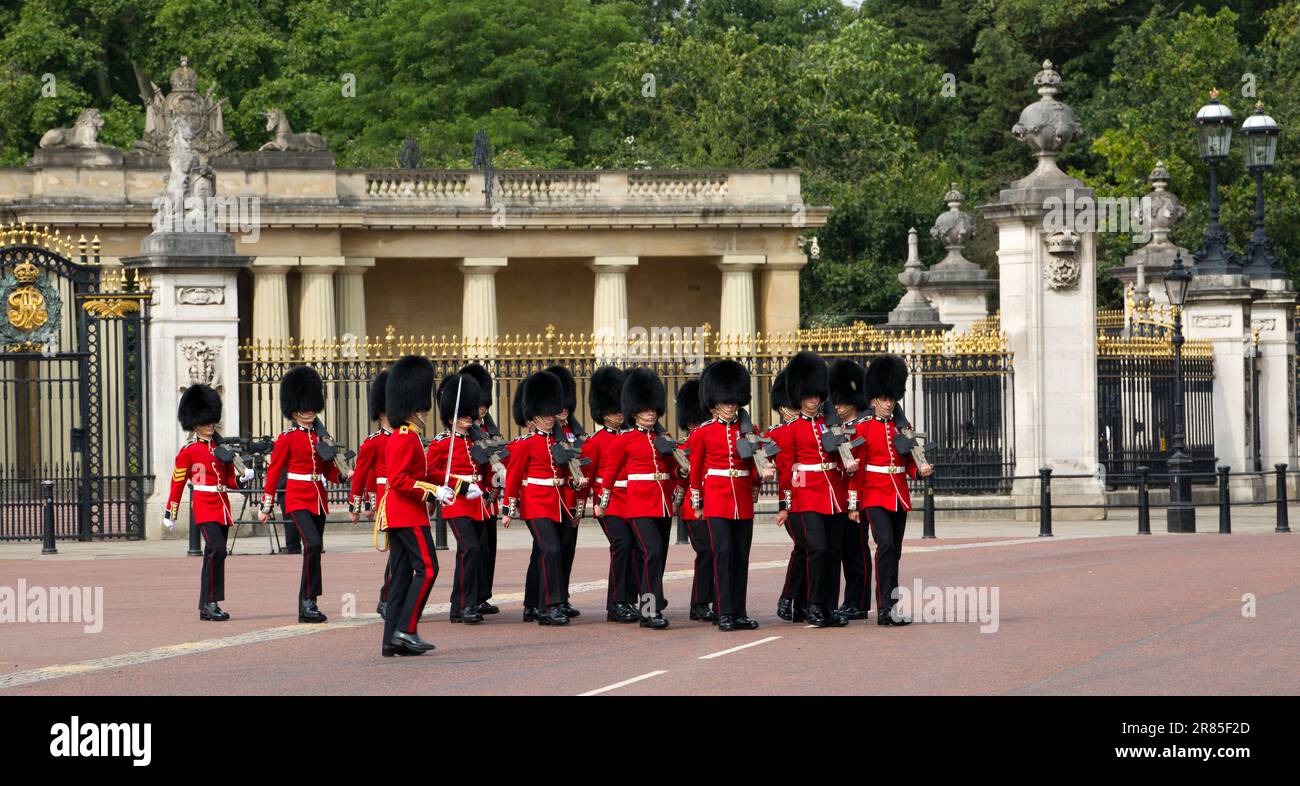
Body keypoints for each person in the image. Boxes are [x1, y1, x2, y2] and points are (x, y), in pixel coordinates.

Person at [258, 366, 347, 623]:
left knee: (314, 550)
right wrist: (266, 506)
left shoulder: (322, 437)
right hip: (296, 497)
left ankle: (307, 605)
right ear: (294, 409)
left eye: (311, 406)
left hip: (318, 498)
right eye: (303, 407)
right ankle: (308, 599)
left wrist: (342, 475)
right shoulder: (287, 438)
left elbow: (328, 470)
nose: (308, 411)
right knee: (313, 544)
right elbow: (274, 473)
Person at [690, 360, 771, 632]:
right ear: (715, 402)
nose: (731, 405)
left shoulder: (749, 431)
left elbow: (756, 463)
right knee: (723, 553)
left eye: (733, 400)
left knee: (740, 556)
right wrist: (696, 502)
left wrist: (763, 475)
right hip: (716, 499)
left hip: (742, 500)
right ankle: (723, 611)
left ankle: (739, 611)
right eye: (726, 400)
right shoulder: (703, 432)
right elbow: (696, 470)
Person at [164, 384, 254, 621]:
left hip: (221, 504)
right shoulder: (188, 451)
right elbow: (178, 483)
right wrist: (170, 513)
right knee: (217, 549)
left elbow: (227, 481)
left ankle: (206, 604)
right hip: (204, 505)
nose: (210, 425)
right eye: (206, 421)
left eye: (212, 421)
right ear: (195, 423)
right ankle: (212, 602)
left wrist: (242, 479)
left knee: (214, 554)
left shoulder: (220, 448)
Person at [856, 354, 933, 626]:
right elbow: (858, 469)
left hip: (898, 493)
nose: (889, 403)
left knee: (895, 550)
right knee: (885, 544)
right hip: (874, 494)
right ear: (874, 399)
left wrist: (919, 470)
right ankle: (884, 608)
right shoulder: (862, 427)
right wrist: (854, 505)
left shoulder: (903, 427)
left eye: (892, 398)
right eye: (884, 398)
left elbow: (908, 461)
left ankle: (892, 605)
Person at [594, 367, 674, 630]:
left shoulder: (663, 438)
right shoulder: (624, 440)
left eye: (653, 409)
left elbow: (675, 471)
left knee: (658, 556)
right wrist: (603, 504)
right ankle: (649, 611)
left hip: (662, 504)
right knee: (650, 552)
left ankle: (650, 604)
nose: (651, 413)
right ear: (635, 411)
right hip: (638, 505)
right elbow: (609, 474)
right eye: (645, 409)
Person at [780, 352, 851, 628]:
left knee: (833, 551)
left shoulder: (830, 424)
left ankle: (829, 607)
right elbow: (788, 470)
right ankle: (812, 604)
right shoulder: (792, 430)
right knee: (818, 548)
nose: (813, 399)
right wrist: (787, 503)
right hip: (806, 495)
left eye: (816, 395)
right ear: (799, 397)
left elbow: (840, 457)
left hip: (833, 493)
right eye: (808, 395)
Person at [376, 355, 440, 656]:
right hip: (406, 514)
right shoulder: (403, 438)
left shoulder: (410, 436)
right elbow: (400, 480)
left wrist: (459, 485)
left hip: (404, 514)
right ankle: (407, 628)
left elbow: (424, 474)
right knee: (428, 568)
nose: (424, 413)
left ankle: (391, 641)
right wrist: (433, 493)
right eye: (420, 408)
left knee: (401, 577)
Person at [502, 371, 573, 626]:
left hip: (556, 502)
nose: (549, 418)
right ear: (534, 417)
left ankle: (531, 605)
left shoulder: (559, 442)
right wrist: (509, 508)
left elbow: (565, 475)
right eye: (545, 415)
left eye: (551, 414)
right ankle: (549, 607)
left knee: (542, 553)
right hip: (535, 503)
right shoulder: (525, 444)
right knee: (551, 550)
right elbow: (513, 477)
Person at [428, 372, 491, 624]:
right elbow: (430, 472)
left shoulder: (478, 440)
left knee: (474, 552)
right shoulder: (442, 443)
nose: (468, 419)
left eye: (470, 414)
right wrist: (459, 484)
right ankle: (467, 604)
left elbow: (485, 470)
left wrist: (488, 488)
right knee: (469, 548)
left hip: (477, 502)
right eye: (463, 414)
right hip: (455, 500)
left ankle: (459, 605)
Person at [581, 365, 640, 623]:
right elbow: (587, 477)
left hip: (633, 501)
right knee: (621, 545)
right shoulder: (595, 442)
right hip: (610, 502)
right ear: (603, 413)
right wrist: (581, 506)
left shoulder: (631, 436)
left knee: (636, 549)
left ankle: (629, 600)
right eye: (614, 410)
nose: (618, 413)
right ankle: (615, 603)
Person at [535, 364, 584, 618]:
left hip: (566, 501)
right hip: (542, 502)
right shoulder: (541, 438)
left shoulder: (574, 433)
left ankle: (559, 597)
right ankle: (538, 602)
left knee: (564, 550)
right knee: (547, 552)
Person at [829, 358, 873, 621]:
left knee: (857, 551)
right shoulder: (837, 428)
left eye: (842, 402)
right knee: (842, 550)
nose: (837, 406)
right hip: (837, 496)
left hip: (858, 496)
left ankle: (859, 601)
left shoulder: (863, 427)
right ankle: (848, 600)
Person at [350, 372, 394, 616]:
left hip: (406, 497)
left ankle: (391, 597)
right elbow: (361, 475)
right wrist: (357, 506)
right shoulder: (373, 442)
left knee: (404, 553)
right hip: (385, 499)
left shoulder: (406, 438)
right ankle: (387, 598)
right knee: (398, 551)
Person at [460, 362, 501, 616]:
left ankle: (482, 594)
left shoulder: (490, 428)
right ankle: (469, 597)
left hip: (490, 496)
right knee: (473, 548)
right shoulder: (467, 429)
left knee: (488, 547)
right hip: (470, 496)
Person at [767, 369, 807, 622]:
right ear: (782, 408)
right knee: (804, 546)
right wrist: (786, 504)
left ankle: (800, 604)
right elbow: (787, 472)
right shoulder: (775, 434)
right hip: (792, 498)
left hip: (813, 496)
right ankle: (788, 597)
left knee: (809, 549)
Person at [674, 378, 714, 624]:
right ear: (691, 423)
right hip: (694, 508)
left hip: (716, 505)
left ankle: (709, 601)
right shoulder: (687, 445)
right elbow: (680, 480)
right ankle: (699, 603)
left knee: (714, 552)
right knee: (706, 552)